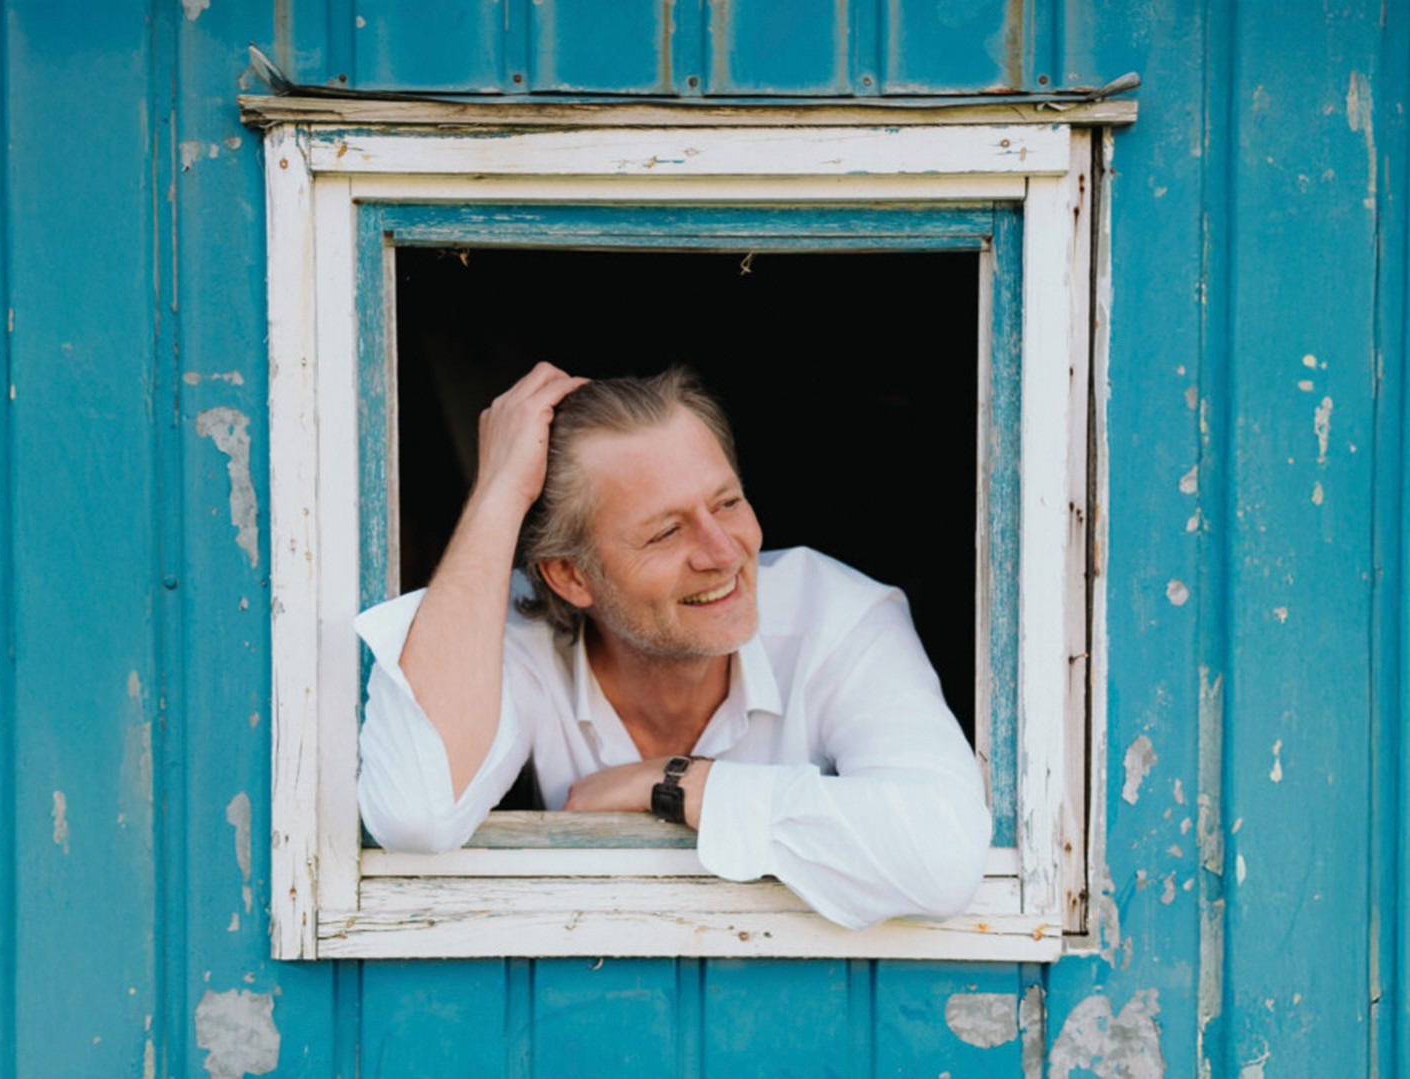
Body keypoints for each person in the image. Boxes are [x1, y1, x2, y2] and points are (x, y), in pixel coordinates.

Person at [354, 362, 989, 929]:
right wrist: (498, 495)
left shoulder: (837, 616)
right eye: (665, 533)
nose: (723, 554)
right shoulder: (515, 641)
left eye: (728, 502)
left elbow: (944, 857)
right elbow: (416, 814)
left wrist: (673, 783)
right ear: (570, 576)